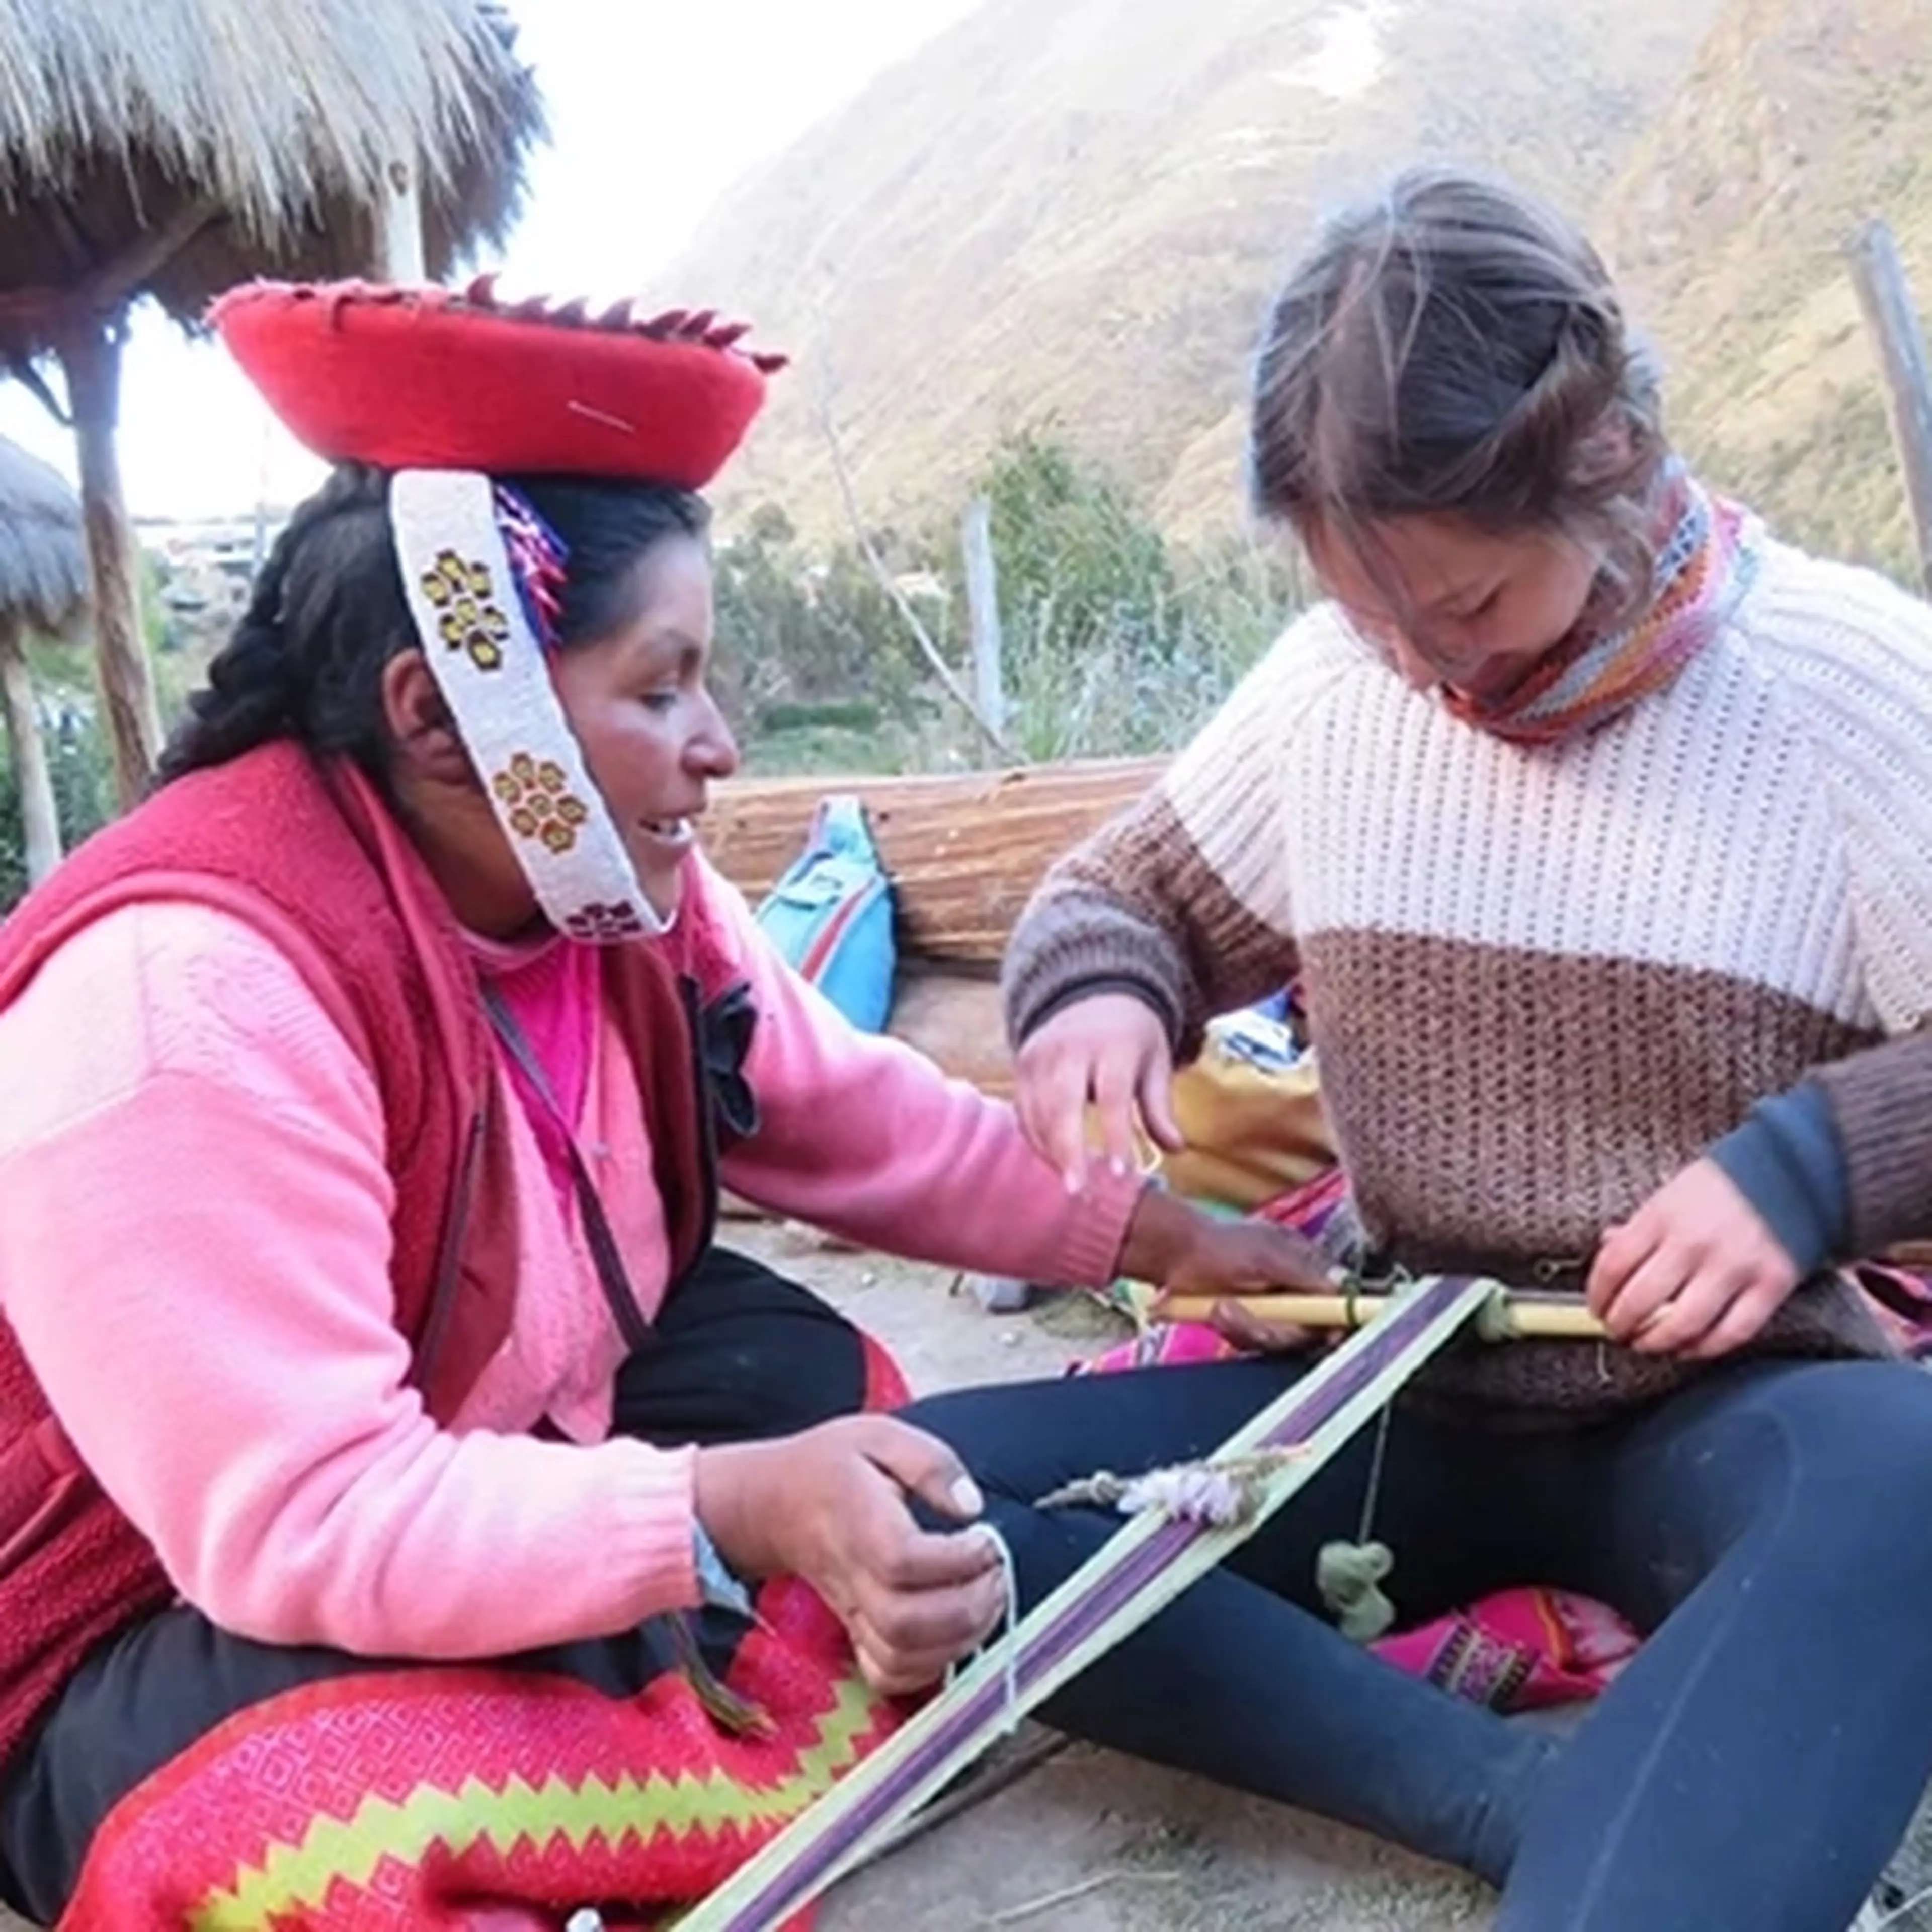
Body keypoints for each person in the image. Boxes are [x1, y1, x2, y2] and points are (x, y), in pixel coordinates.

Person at [0, 281, 1309, 1928]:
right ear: (440, 715)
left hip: (482, 1453)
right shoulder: (185, 998)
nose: (720, 746)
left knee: (820, 1388)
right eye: (662, 687)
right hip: (148, 1610)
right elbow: (305, 1515)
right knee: (302, 1829)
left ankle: (632, 1742)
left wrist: (1158, 1233)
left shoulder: (614, 898)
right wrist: (726, 1507)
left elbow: (854, 1122)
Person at [913, 165, 1932, 1932]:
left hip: (1726, 1406)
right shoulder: (1342, 690)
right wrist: (1098, 990)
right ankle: (1501, 1795)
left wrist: (1810, 1169)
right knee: (921, 1503)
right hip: (1404, 1386)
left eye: (1463, 608)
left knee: (1911, 1489)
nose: (1427, 669)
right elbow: (1126, 888)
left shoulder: (1842, 688)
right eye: (1373, 615)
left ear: (1608, 460)